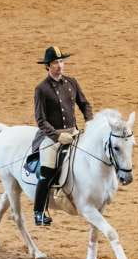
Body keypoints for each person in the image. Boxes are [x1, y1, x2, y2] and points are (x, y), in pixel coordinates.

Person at [27, 46, 94, 226]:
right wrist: (57, 136)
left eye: (61, 61)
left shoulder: (72, 82)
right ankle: (39, 212)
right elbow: (41, 120)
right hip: (50, 136)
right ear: (48, 66)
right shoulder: (41, 89)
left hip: (73, 132)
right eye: (56, 63)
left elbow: (84, 104)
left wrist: (89, 121)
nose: (60, 65)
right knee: (47, 171)